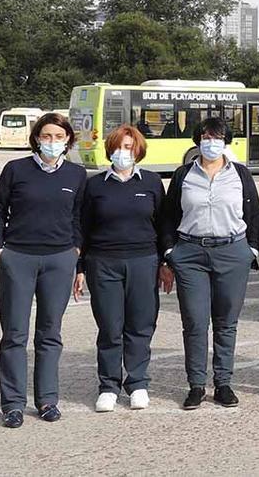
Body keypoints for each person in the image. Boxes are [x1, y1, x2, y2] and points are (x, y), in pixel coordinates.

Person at [0, 112, 85, 428]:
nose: (52, 142)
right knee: (14, 333)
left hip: (59, 260)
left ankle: (47, 399)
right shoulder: (15, 170)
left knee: (49, 333)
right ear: (36, 138)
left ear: (68, 140)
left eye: (59, 137)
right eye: (46, 136)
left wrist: (75, 250)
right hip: (19, 258)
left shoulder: (76, 175)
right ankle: (13, 404)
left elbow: (79, 218)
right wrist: (1, 249)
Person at [161, 117, 259, 410]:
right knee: (194, 321)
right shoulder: (183, 175)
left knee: (226, 322)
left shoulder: (240, 175)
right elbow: (168, 216)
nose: (211, 142)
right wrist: (170, 252)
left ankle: (223, 383)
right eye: (206, 136)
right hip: (190, 254)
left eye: (217, 137)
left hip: (232, 253)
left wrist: (251, 250)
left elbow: (254, 214)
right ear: (197, 140)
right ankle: (195, 384)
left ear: (226, 141)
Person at [73, 124, 165, 413]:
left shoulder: (151, 182)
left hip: (143, 261)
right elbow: (82, 227)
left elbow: (162, 226)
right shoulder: (94, 185)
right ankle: (109, 386)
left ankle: (137, 383)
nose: (122, 152)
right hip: (103, 263)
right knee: (110, 327)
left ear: (138, 150)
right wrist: (80, 267)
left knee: (140, 325)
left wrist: (164, 263)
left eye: (128, 147)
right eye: (117, 147)